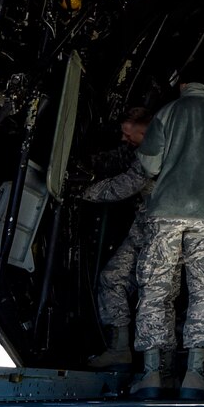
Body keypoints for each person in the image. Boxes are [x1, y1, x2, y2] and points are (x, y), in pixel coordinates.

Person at [132, 78, 204, 400]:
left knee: (155, 289)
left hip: (166, 212)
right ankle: (195, 375)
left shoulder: (167, 113)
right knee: (203, 291)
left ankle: (153, 373)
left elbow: (150, 163)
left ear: (183, 85)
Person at [80, 106, 152, 370]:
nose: (124, 138)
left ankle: (159, 370)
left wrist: (84, 191)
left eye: (126, 132)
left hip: (158, 231)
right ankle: (121, 349)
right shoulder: (147, 149)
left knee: (158, 295)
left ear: (142, 129)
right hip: (148, 229)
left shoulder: (153, 151)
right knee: (113, 279)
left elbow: (126, 185)